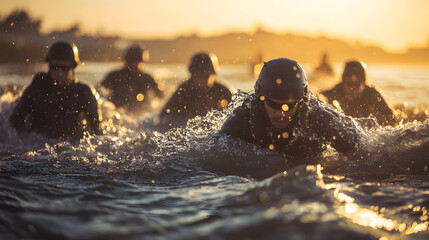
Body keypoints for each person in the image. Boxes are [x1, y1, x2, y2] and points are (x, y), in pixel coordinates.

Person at [220, 58, 361, 160]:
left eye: (290, 105)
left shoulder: (318, 118)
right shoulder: (242, 120)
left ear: (301, 102)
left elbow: (361, 152)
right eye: (274, 105)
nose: (281, 113)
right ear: (261, 99)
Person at [9, 41, 100, 140]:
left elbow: (97, 130)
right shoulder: (38, 86)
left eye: (64, 68)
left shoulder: (83, 92)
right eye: (55, 67)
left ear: (74, 68)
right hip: (35, 144)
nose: (59, 73)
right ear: (49, 66)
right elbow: (15, 120)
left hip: (71, 145)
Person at [158, 52, 232, 131]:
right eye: (199, 77)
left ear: (213, 74)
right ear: (192, 75)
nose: (203, 81)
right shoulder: (183, 90)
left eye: (206, 77)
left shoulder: (221, 90)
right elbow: (163, 116)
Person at [321, 60, 397, 126]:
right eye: (348, 83)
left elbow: (391, 117)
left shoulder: (372, 94)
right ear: (343, 82)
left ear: (364, 83)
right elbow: (317, 99)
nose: (352, 88)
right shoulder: (337, 91)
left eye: (357, 84)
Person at [101, 45, 164, 113]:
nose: (135, 66)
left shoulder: (147, 78)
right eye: (132, 62)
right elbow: (100, 92)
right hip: (118, 112)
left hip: (141, 114)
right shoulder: (114, 76)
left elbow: (161, 96)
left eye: (138, 63)